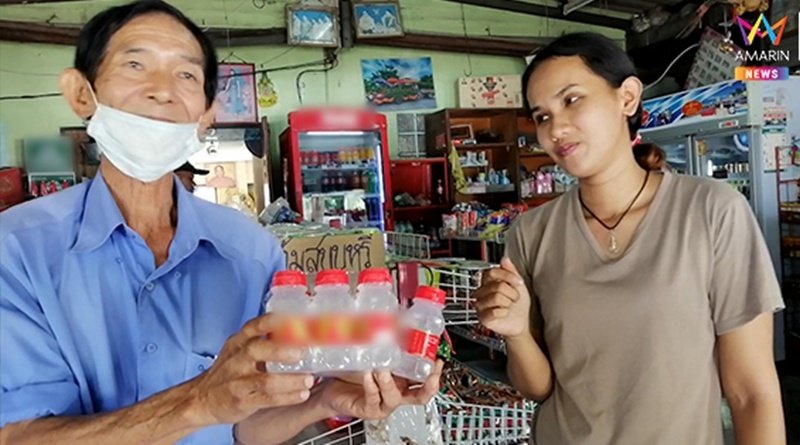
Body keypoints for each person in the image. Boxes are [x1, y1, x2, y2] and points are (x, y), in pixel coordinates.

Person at [0, 2, 441, 444]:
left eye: (186, 75)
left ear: (207, 114)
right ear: (81, 94)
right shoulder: (17, 250)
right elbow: (17, 435)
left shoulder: (250, 250)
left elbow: (244, 426)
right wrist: (198, 402)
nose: (163, 91)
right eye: (135, 64)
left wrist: (323, 401)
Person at [474, 33, 785, 445]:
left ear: (628, 97)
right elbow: (539, 387)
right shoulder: (533, 233)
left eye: (571, 100)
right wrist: (514, 332)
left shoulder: (712, 212)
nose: (556, 128)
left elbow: (751, 392)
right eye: (542, 116)